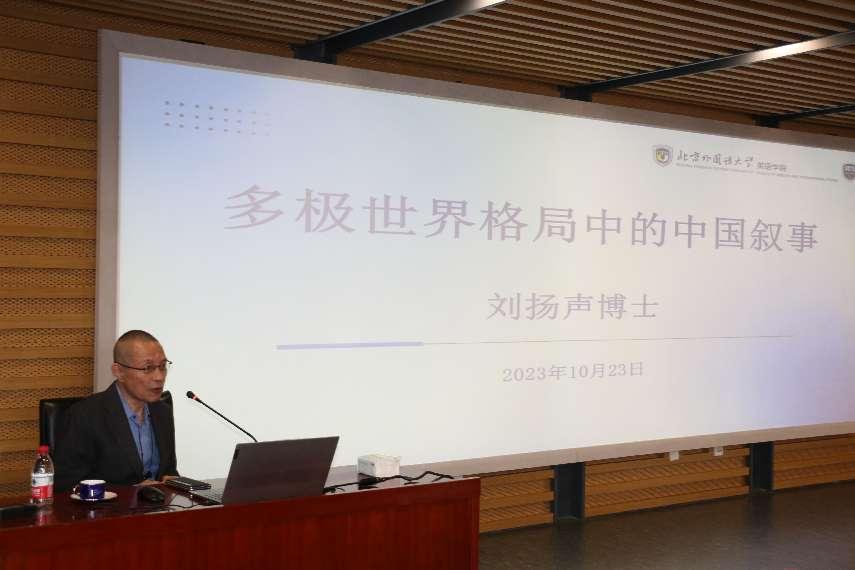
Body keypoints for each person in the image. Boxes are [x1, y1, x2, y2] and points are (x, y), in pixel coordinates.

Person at [54, 330, 178, 492]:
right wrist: (131, 492)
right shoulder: (85, 415)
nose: (159, 377)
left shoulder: (162, 412)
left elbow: (168, 471)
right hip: (108, 508)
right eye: (148, 368)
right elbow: (66, 485)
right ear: (118, 372)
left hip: (158, 506)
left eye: (162, 366)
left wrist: (172, 482)